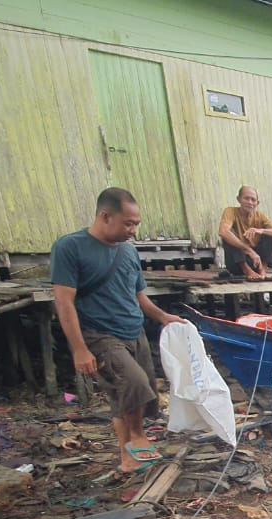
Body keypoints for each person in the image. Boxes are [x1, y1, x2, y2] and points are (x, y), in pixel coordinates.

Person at [50, 187, 184, 476]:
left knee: (128, 396)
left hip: (133, 330)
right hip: (99, 333)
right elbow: (64, 301)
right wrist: (79, 349)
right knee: (134, 384)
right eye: (128, 224)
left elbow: (138, 295)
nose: (134, 230)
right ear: (105, 216)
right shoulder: (70, 247)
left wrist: (162, 317)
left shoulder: (128, 251)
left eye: (136, 224)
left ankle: (127, 457)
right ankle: (136, 438)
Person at [218, 185, 272, 280]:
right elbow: (223, 232)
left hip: (256, 261)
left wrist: (260, 230)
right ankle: (247, 270)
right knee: (229, 234)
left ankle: (262, 270)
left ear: (257, 203)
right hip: (237, 263)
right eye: (246, 198)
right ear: (238, 199)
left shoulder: (260, 216)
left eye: (253, 200)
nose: (250, 202)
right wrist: (249, 250)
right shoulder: (230, 211)